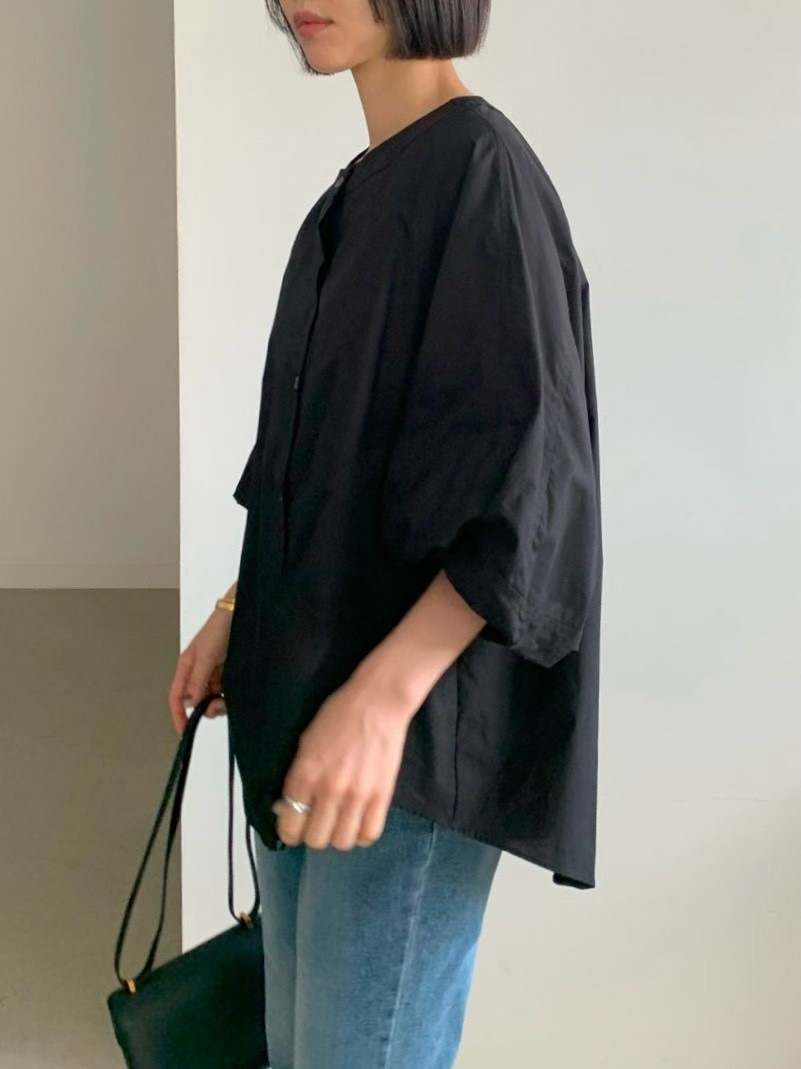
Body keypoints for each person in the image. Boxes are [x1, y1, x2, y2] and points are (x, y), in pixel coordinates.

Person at [168, 1, 603, 1066]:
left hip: (400, 744)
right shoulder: (361, 191)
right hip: (309, 704)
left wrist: (381, 698)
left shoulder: (480, 174)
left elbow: (530, 488)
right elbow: (317, 459)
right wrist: (237, 607)